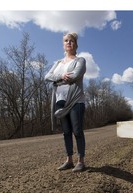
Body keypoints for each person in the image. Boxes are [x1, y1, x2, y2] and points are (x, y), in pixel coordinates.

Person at [44, 32, 86, 172]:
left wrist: (56, 80)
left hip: (75, 100)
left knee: (77, 131)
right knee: (66, 132)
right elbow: (47, 77)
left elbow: (75, 76)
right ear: (63, 44)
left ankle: (81, 161)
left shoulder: (80, 61)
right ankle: (69, 160)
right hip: (60, 100)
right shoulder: (57, 63)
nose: (69, 42)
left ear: (76, 44)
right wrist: (61, 76)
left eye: (72, 41)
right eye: (66, 40)